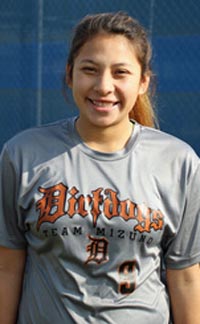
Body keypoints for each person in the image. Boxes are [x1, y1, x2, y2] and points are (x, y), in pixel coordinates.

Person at [0, 11, 200, 324]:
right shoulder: (23, 154)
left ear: (144, 81)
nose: (104, 86)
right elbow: (7, 265)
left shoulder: (178, 162)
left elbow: (185, 275)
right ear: (69, 74)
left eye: (121, 73)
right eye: (90, 70)